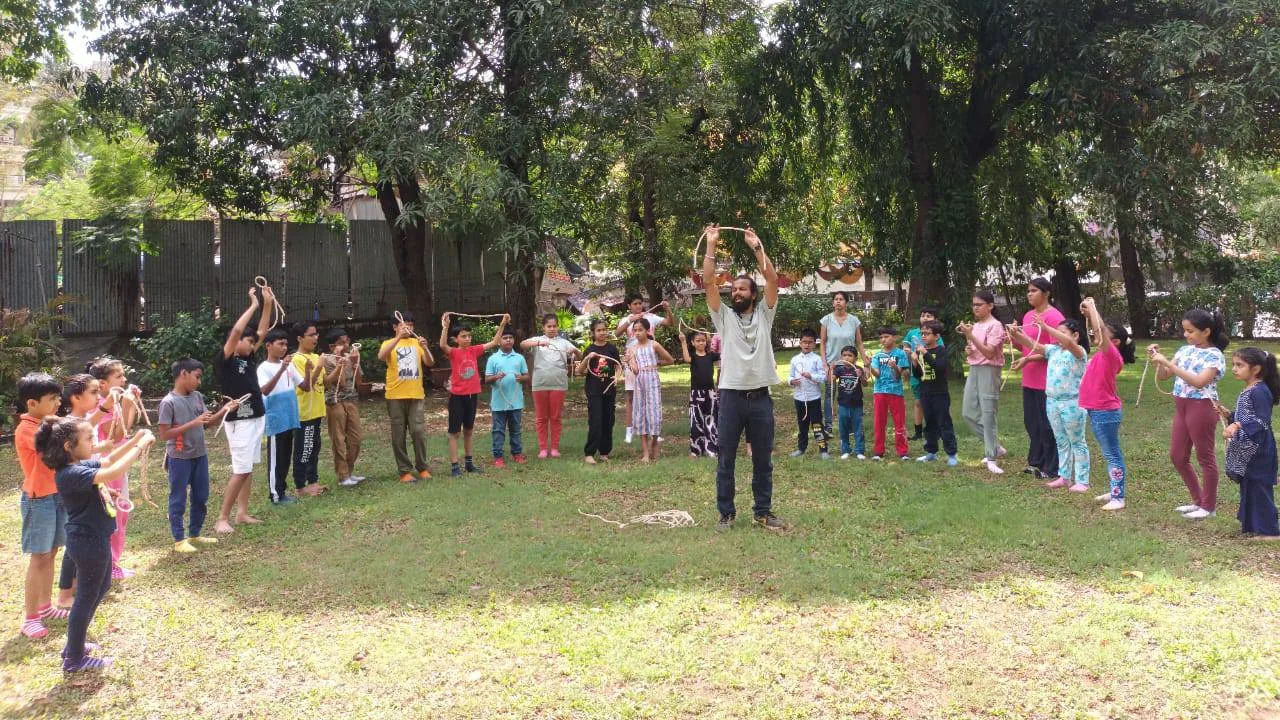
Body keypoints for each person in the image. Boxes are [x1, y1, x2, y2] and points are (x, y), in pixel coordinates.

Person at [36, 416, 154, 672]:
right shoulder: (70, 473)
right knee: (85, 599)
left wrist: (134, 439)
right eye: (89, 438)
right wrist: (140, 445)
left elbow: (108, 460)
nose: (94, 442)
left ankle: (74, 646)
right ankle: (74, 659)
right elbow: (112, 472)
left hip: (95, 538)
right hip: (87, 542)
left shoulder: (79, 464)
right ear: (69, 445)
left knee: (100, 588)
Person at [703, 225, 785, 531]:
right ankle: (726, 513)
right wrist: (711, 245)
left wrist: (757, 248)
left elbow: (773, 279)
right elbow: (708, 281)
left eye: (742, 289)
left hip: (760, 398)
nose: (735, 292)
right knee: (726, 460)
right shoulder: (722, 316)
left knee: (763, 460)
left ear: (753, 294)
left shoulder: (765, 313)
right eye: (733, 289)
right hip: (731, 399)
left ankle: (762, 512)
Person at [1148, 308, 1230, 520]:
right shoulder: (1184, 350)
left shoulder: (1214, 355)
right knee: (1177, 456)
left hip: (1202, 407)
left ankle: (1208, 506)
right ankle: (1198, 500)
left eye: (1191, 331)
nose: (1186, 335)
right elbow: (1165, 375)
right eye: (1185, 330)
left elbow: (1199, 381)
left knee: (1205, 457)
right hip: (1182, 406)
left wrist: (1168, 363)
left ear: (1206, 332)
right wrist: (1159, 361)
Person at [157, 358, 237, 553]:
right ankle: (179, 539)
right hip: (179, 457)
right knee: (178, 498)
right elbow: (164, 434)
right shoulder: (168, 402)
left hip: (200, 455)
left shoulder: (197, 396)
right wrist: (194, 422)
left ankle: (195, 534)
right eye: (197, 377)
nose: (199, 382)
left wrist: (224, 411)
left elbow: (206, 423)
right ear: (183, 373)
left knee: (201, 495)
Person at [213, 286, 273, 534]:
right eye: (246, 341)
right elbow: (238, 331)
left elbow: (261, 331)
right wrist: (253, 306)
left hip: (256, 416)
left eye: (250, 342)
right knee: (241, 469)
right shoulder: (224, 360)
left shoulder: (246, 359)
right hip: (239, 420)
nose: (251, 344)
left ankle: (242, 513)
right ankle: (222, 519)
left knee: (248, 468)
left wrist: (267, 303)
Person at [1009, 317, 1091, 492]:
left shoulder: (1079, 352)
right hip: (1052, 401)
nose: (1057, 337)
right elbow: (1034, 346)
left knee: (1077, 442)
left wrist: (1045, 327)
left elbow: (1068, 342)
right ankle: (1065, 477)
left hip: (1072, 403)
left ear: (1075, 335)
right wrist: (1017, 334)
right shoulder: (1053, 350)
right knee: (1061, 441)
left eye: (1062, 333)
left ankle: (1082, 481)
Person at [15, 373, 67, 639]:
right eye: (52, 399)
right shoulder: (27, 429)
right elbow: (54, 449)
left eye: (58, 397)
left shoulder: (50, 422)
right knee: (40, 557)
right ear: (32, 403)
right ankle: (31, 617)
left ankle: (46, 607)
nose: (58, 402)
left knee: (52, 552)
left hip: (58, 496)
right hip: (39, 500)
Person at [1078, 298, 1136, 511]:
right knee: (1108, 453)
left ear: (1116, 342)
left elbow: (1099, 329)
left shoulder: (1111, 354)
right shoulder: (1102, 353)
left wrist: (1093, 307)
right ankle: (1114, 490)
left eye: (1101, 333)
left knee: (1112, 454)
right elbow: (1099, 329)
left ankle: (1118, 497)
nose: (1094, 333)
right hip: (1098, 410)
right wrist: (1089, 314)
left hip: (1105, 412)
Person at [85, 357, 139, 579]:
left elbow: (127, 427)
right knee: (112, 514)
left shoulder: (114, 402)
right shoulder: (100, 407)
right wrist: (127, 403)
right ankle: (109, 564)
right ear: (103, 384)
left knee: (120, 514)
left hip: (116, 464)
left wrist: (131, 403)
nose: (124, 379)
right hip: (106, 468)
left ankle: (112, 562)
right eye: (119, 376)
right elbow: (117, 433)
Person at [1219, 348, 1279, 539]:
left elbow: (1261, 422)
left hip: (1258, 449)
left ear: (1256, 369)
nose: (1234, 369)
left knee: (1260, 487)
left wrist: (1236, 425)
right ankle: (1254, 526)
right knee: (1250, 485)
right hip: (1248, 448)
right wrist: (1230, 415)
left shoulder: (1260, 391)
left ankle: (1269, 531)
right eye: (1234, 364)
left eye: (1240, 365)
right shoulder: (1250, 389)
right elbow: (1247, 416)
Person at [1010, 278, 1066, 480]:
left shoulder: (1054, 317)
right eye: (1028, 291)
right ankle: (1035, 462)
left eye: (1034, 290)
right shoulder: (1028, 315)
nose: (1029, 294)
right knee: (1031, 423)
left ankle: (1052, 467)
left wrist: (1027, 359)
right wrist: (1014, 336)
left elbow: (1055, 350)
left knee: (1047, 424)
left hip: (1046, 381)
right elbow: (1026, 346)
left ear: (1047, 293)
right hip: (1029, 380)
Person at [440, 313, 509, 476]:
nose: (467, 338)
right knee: (454, 432)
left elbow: (494, 342)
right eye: (463, 336)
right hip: (457, 396)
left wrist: (503, 324)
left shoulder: (474, 350)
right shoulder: (454, 353)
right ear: (456, 339)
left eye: (469, 336)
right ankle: (455, 466)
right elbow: (443, 345)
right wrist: (445, 327)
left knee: (469, 430)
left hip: (472, 396)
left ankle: (469, 463)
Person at [379, 311, 436, 482]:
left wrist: (425, 347)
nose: (408, 327)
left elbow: (430, 362)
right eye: (404, 324)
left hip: (416, 394)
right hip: (395, 395)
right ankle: (404, 471)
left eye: (411, 324)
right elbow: (381, 356)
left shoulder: (417, 343)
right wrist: (398, 338)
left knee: (418, 431)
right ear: (395, 327)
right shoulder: (389, 343)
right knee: (398, 434)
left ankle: (423, 467)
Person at [960, 290, 1009, 474]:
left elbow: (989, 352)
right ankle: (995, 445)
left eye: (979, 305)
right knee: (968, 412)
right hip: (974, 369)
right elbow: (974, 350)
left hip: (990, 370)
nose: (975, 308)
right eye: (974, 305)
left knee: (988, 413)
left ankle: (991, 457)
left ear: (990, 306)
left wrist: (970, 336)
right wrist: (969, 348)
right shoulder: (976, 325)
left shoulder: (996, 326)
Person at [521, 314, 581, 458]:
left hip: (559, 384)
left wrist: (576, 351)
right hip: (539, 384)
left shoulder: (564, 342)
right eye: (549, 326)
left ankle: (554, 448)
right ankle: (543, 448)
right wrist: (538, 343)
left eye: (555, 326)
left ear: (558, 327)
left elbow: (580, 356)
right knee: (541, 417)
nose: (552, 329)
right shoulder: (538, 340)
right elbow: (522, 344)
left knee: (555, 417)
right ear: (544, 327)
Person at [257, 329, 305, 503]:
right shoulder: (264, 368)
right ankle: (275, 494)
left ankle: (282, 491)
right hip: (276, 419)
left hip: (289, 417)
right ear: (268, 346)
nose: (284, 348)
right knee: (275, 460)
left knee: (285, 458)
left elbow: (304, 385)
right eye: (280, 344)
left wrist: (310, 370)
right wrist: (281, 369)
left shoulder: (289, 365)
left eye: (286, 344)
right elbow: (265, 390)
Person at [616, 297, 673, 444]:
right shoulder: (626, 319)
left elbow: (669, 323)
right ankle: (629, 430)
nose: (638, 306)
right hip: (632, 359)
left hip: (648, 363)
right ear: (629, 306)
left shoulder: (651, 317)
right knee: (631, 396)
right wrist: (631, 320)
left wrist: (667, 309)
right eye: (634, 304)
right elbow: (617, 333)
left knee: (651, 397)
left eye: (640, 303)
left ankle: (654, 430)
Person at [320, 327, 366, 488]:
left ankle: (350, 471)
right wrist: (340, 365)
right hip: (334, 401)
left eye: (347, 340)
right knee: (338, 439)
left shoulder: (351, 357)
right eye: (342, 342)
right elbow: (334, 383)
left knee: (356, 438)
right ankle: (343, 475)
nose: (347, 344)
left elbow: (358, 382)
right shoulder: (326, 360)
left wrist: (354, 364)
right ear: (333, 346)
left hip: (351, 401)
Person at [626, 317, 674, 462]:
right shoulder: (632, 349)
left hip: (653, 381)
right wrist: (630, 361)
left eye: (640, 330)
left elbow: (670, 359)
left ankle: (654, 442)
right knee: (641, 415)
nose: (637, 333)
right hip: (640, 384)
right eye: (635, 330)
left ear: (648, 330)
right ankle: (645, 453)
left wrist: (655, 364)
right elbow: (635, 370)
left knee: (654, 414)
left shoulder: (654, 345)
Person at [909, 321, 958, 466]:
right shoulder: (920, 352)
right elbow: (918, 375)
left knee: (944, 423)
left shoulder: (941, 350)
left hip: (940, 393)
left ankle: (952, 454)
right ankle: (931, 452)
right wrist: (915, 363)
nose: (923, 336)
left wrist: (925, 354)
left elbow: (940, 368)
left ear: (936, 336)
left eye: (927, 333)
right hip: (925, 393)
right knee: (929, 423)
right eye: (922, 334)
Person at [818, 291, 865, 431]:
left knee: (850, 392)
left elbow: (859, 342)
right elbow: (822, 343)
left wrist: (865, 359)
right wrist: (824, 364)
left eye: (841, 299)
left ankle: (851, 424)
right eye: (836, 299)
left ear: (846, 302)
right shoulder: (826, 320)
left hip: (849, 364)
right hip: (832, 363)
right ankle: (828, 425)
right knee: (829, 393)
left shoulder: (854, 320)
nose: (838, 301)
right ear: (833, 303)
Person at [290, 322, 327, 496]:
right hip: (304, 412)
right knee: (304, 449)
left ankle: (312, 481)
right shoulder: (296, 359)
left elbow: (325, 383)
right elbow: (306, 385)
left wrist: (342, 365)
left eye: (316, 334)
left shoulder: (315, 356)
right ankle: (300, 485)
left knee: (314, 447)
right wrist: (319, 366)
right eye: (311, 335)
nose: (315, 337)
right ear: (300, 338)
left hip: (317, 411)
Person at [578, 318, 620, 464]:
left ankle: (604, 452)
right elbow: (580, 371)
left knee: (608, 421)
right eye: (599, 330)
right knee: (596, 421)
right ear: (593, 333)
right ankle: (589, 453)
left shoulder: (612, 349)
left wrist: (617, 378)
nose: (602, 333)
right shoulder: (589, 350)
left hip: (609, 390)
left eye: (604, 329)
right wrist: (587, 358)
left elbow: (618, 367)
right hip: (594, 391)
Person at [486, 327, 530, 468]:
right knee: (498, 430)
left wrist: (521, 378)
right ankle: (498, 456)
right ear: (499, 341)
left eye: (511, 337)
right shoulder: (493, 359)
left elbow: (527, 376)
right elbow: (487, 380)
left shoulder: (519, 358)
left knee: (515, 429)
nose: (508, 340)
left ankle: (517, 453)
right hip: (499, 402)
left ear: (514, 340)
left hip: (516, 402)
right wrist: (496, 377)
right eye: (505, 338)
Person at [868, 327, 911, 461]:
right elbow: (877, 374)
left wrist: (896, 367)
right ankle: (878, 451)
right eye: (881, 337)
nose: (883, 339)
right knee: (879, 422)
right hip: (879, 391)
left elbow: (903, 376)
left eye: (886, 336)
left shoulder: (900, 354)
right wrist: (869, 366)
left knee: (899, 422)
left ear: (894, 337)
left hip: (896, 392)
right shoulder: (877, 355)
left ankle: (903, 452)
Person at [788, 328, 830, 459]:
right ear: (800, 343)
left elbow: (823, 377)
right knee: (802, 425)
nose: (807, 345)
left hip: (813, 398)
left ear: (814, 344)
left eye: (810, 342)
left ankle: (823, 450)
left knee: (817, 424)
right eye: (804, 342)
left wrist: (811, 375)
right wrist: (792, 381)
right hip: (799, 398)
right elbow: (789, 376)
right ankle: (801, 448)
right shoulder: (795, 359)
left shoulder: (817, 359)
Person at [903, 306, 943, 442]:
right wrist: (907, 352)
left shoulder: (937, 336)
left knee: (933, 403)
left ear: (935, 319)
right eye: (922, 315)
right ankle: (918, 431)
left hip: (930, 374)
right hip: (916, 373)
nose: (925, 318)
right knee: (918, 402)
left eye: (929, 315)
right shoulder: (912, 332)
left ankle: (935, 430)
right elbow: (905, 346)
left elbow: (940, 352)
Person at [679, 328, 720, 458]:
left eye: (703, 341)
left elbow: (724, 354)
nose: (701, 343)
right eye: (698, 341)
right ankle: (695, 450)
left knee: (711, 420)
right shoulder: (693, 357)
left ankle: (711, 449)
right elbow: (686, 358)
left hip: (710, 393)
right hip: (696, 393)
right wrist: (683, 342)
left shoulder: (711, 355)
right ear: (693, 342)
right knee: (696, 421)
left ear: (706, 342)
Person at [830, 346, 867, 460]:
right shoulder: (839, 369)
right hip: (843, 404)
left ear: (855, 358)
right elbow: (831, 380)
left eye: (850, 355)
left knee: (858, 427)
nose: (846, 357)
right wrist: (831, 369)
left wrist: (860, 375)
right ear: (841, 357)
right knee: (843, 427)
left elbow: (865, 383)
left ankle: (859, 450)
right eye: (844, 355)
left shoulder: (858, 368)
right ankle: (845, 449)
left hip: (857, 404)